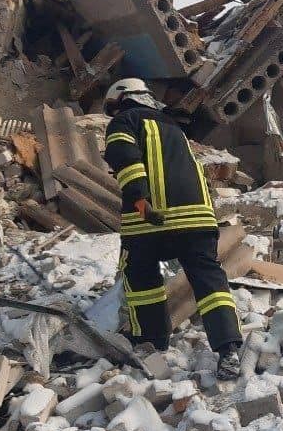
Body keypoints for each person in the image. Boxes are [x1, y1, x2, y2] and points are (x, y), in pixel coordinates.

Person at [102, 78, 243, 379]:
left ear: (123, 99)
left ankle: (151, 341)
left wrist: (140, 202)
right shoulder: (174, 129)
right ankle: (229, 350)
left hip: (153, 220)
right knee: (208, 279)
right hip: (198, 219)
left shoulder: (123, 122)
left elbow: (127, 161)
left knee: (140, 277)